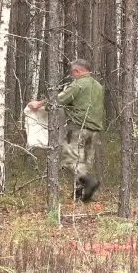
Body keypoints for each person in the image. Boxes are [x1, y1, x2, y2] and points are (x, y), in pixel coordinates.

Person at [28, 59, 103, 202]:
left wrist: (40, 103)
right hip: (94, 129)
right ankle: (80, 196)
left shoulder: (78, 84)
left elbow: (59, 99)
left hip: (79, 128)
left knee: (70, 160)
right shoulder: (98, 86)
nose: (72, 76)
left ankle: (89, 183)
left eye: (72, 73)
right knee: (83, 162)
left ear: (77, 71)